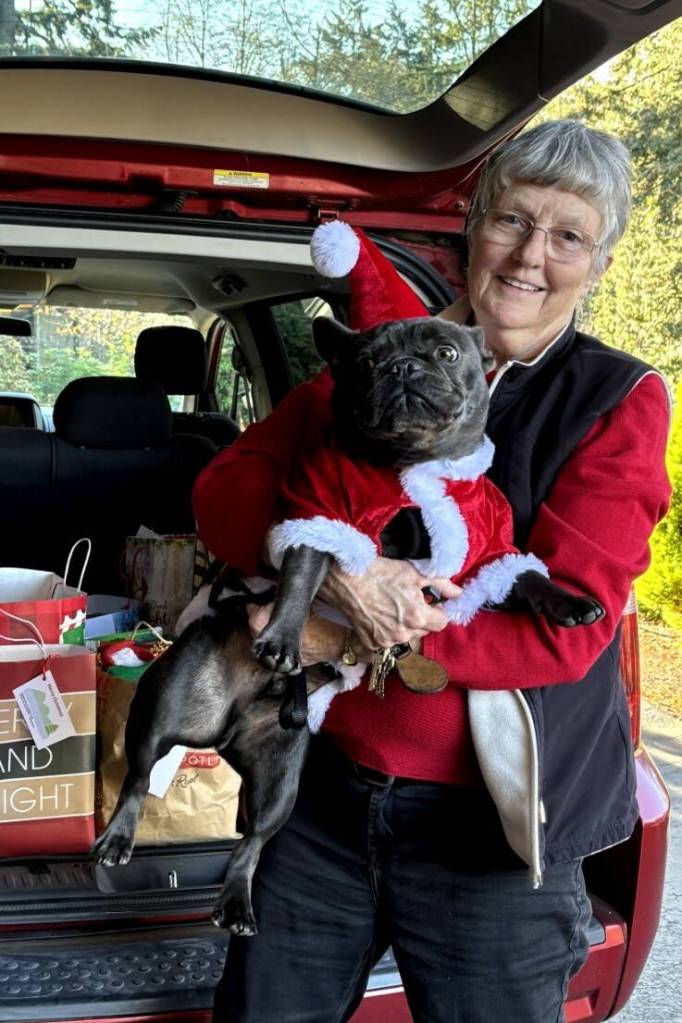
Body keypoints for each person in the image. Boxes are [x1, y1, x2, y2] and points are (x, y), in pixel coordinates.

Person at [195, 120, 672, 1023]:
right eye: (512, 222)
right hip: (320, 802)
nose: (532, 255)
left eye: (568, 235)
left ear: (599, 262)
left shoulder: (618, 398)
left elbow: (563, 624)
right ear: (474, 230)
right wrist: (337, 568)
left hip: (489, 836)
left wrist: (359, 625)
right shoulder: (386, 352)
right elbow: (224, 490)